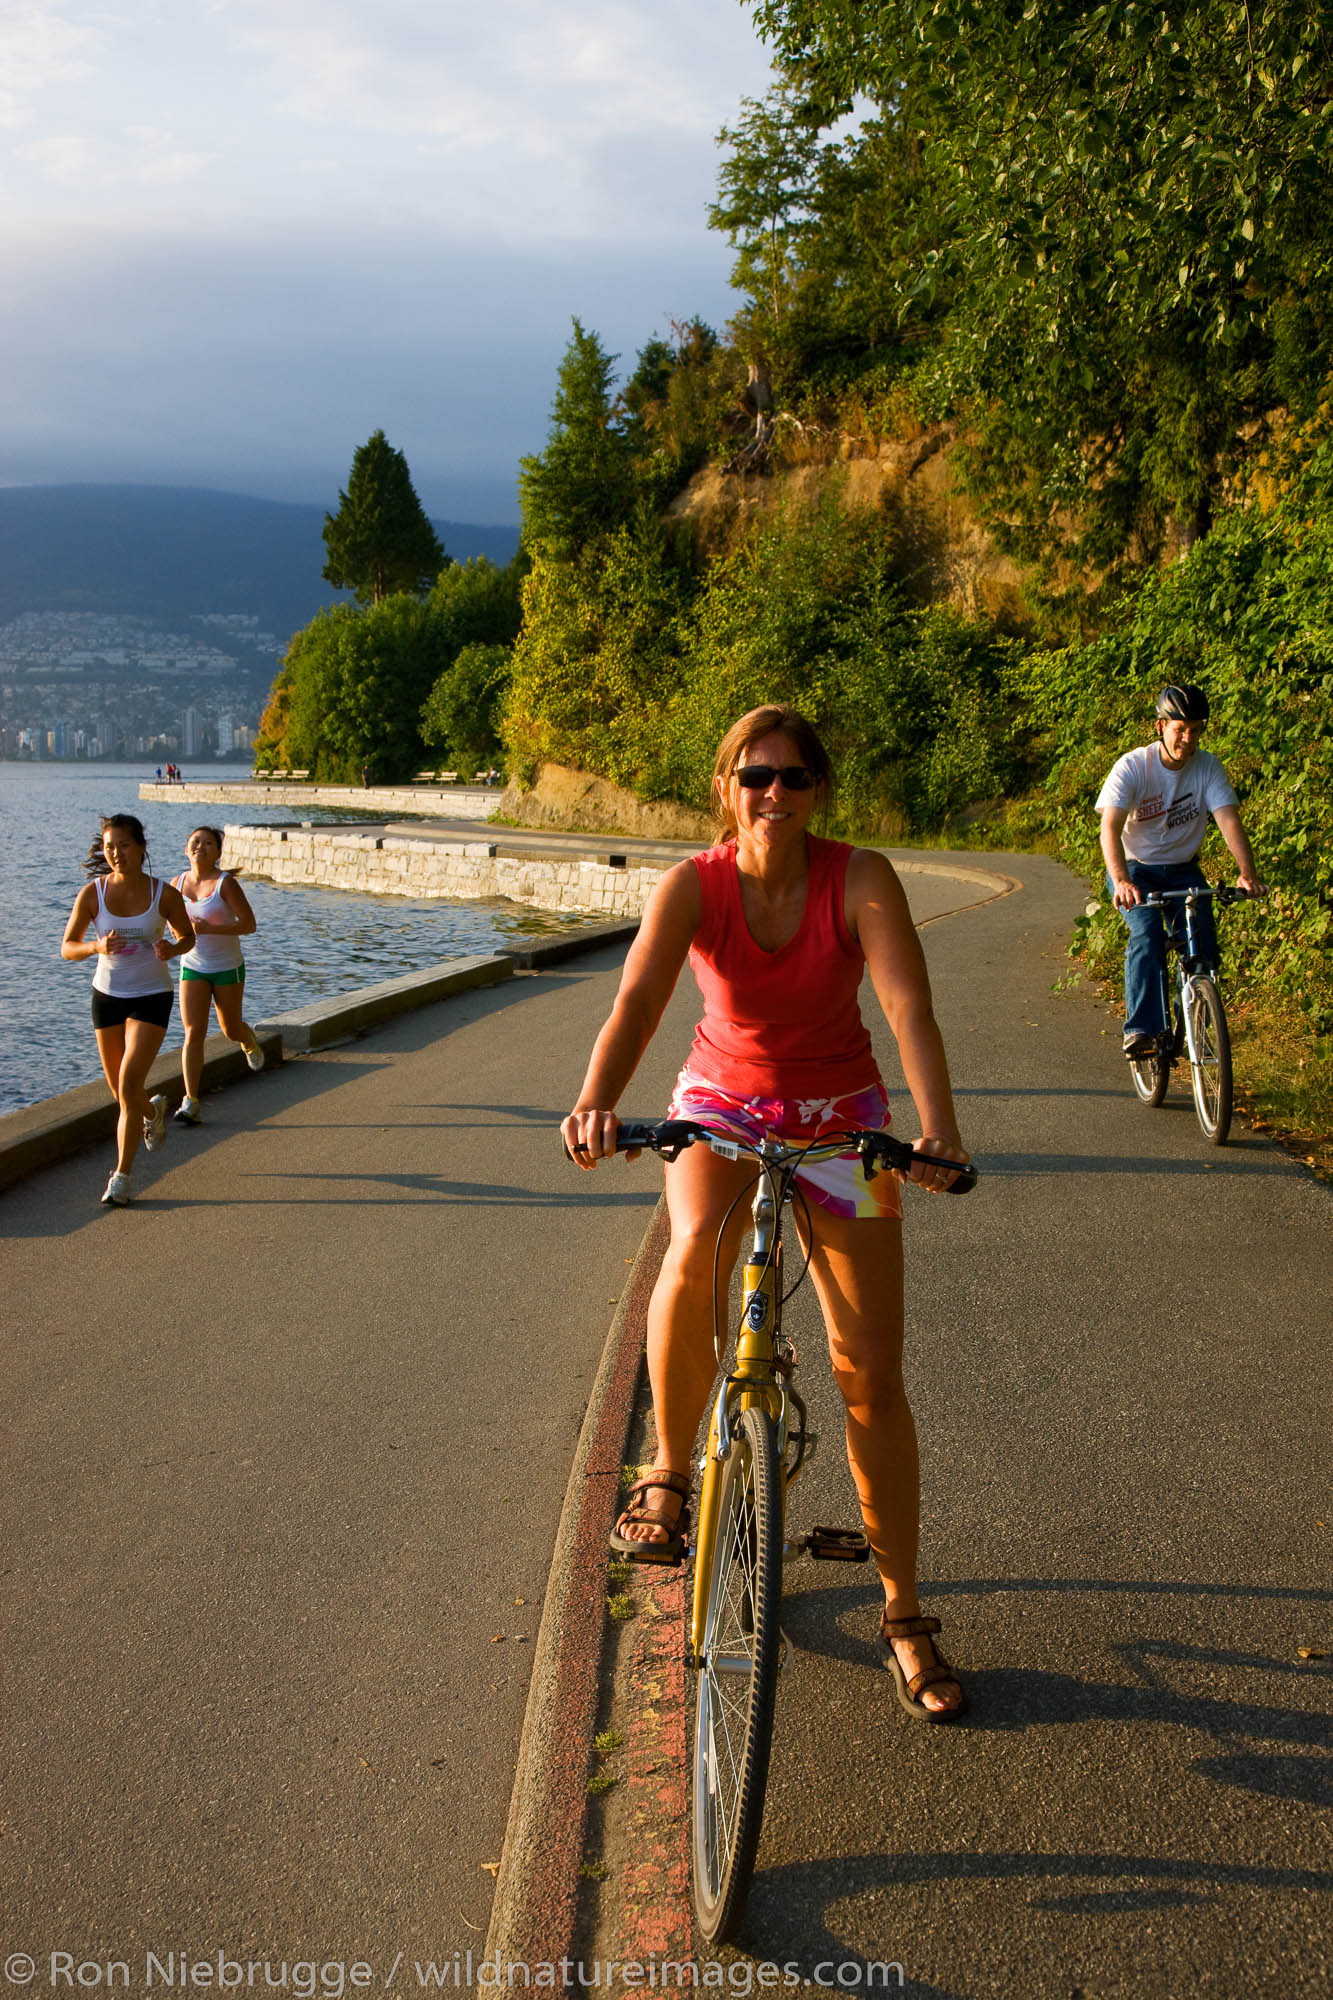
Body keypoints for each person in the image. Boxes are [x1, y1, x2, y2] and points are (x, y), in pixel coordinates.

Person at [561, 704, 971, 1720]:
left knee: (868, 1371)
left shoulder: (859, 877)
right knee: (694, 1241)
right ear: (725, 787)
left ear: (816, 790)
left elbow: (907, 1005)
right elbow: (639, 1001)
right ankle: (665, 1473)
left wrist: (938, 1131)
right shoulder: (692, 884)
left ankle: (904, 1611)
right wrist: (595, 1098)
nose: (773, 795)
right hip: (720, 1100)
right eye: (755, 777)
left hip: (846, 1114)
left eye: (792, 778)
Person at [1097, 683, 1261, 1055]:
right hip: (1136, 869)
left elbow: (1228, 820)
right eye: (1180, 729)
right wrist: (1121, 879)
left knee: (1202, 944)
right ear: (1160, 727)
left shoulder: (1208, 767)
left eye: (1196, 730)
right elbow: (1109, 827)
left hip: (1184, 869)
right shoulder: (1133, 766)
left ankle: (1190, 1024)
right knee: (1147, 934)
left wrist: (1247, 873)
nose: (1188, 739)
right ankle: (1141, 1029)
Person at [61, 813, 196, 1207]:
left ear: (140, 848)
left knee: (127, 1084)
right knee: (122, 1096)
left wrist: (172, 948)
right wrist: (96, 947)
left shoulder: (162, 895)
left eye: (123, 845)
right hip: (107, 996)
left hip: (152, 994)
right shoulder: (93, 894)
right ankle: (151, 1115)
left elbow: (187, 935)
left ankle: (121, 1178)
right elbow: (68, 947)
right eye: (109, 847)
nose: (115, 853)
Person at [171, 825, 265, 1124]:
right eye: (195, 842)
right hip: (193, 967)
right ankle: (191, 1101)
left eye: (208, 843)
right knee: (193, 1032)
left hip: (227, 967)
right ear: (186, 849)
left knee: (229, 1030)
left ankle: (247, 1038)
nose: (200, 846)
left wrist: (211, 928)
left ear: (218, 853)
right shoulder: (176, 884)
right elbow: (170, 926)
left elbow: (249, 924)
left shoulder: (225, 884)